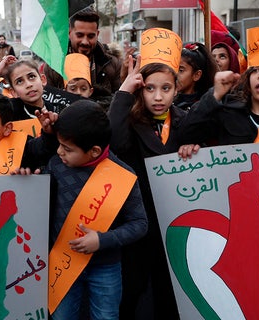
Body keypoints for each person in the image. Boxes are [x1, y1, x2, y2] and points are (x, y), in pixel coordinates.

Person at [47, 100, 148, 319]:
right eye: (59, 145)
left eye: (67, 148)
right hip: (62, 264)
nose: (59, 152)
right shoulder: (55, 164)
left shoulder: (123, 175)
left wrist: (103, 240)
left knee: (106, 316)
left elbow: (140, 224)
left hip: (105, 267)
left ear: (94, 151)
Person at [108, 55, 183, 319]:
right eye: (150, 88)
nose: (158, 96)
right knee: (133, 288)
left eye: (166, 88)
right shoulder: (131, 121)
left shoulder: (185, 122)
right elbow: (114, 140)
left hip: (176, 220)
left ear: (177, 89)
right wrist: (124, 91)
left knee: (171, 288)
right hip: (140, 219)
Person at [68, 8, 121, 108]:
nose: (85, 42)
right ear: (69, 33)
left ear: (97, 34)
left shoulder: (113, 65)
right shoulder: (55, 66)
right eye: (80, 35)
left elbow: (119, 103)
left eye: (90, 36)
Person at [175, 42, 217, 111]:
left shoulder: (203, 107)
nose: (175, 74)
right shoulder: (168, 101)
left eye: (181, 70)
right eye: (174, 69)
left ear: (196, 75)